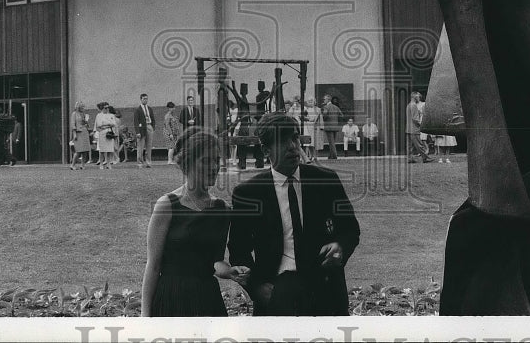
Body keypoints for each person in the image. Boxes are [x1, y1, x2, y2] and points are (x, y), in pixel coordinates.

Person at [228, 112, 361, 315]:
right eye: (283, 141)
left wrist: (340, 248)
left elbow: (350, 229)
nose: (292, 146)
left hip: (326, 291)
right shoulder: (248, 193)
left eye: (295, 137)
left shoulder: (326, 181)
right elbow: (239, 251)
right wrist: (256, 288)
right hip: (277, 294)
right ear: (266, 150)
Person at [141, 127, 249, 316]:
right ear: (188, 163)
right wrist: (145, 317)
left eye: (216, 161)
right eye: (206, 161)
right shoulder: (167, 206)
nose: (214, 167)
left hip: (207, 299)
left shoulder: (221, 209)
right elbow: (153, 265)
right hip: (171, 298)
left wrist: (230, 271)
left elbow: (215, 262)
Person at [406, 92, 433, 163]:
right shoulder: (414, 105)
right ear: (415, 97)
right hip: (414, 129)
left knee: (410, 146)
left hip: (408, 129)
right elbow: (415, 119)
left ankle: (410, 158)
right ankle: (426, 158)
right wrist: (421, 125)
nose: (419, 98)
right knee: (419, 145)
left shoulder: (409, 105)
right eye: (418, 97)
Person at [94, 103, 119, 169]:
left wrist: (106, 124)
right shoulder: (99, 115)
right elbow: (99, 124)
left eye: (108, 108)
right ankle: (101, 164)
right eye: (105, 108)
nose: (107, 109)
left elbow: (114, 123)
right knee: (102, 150)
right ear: (102, 109)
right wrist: (108, 123)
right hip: (102, 132)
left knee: (109, 149)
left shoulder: (111, 115)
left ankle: (108, 163)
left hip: (109, 132)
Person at [135, 93, 155, 168]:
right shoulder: (138, 109)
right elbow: (136, 121)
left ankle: (148, 162)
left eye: (146, 98)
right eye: (144, 99)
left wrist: (153, 127)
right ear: (141, 99)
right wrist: (137, 132)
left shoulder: (149, 108)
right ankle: (140, 162)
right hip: (141, 128)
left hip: (149, 126)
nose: (145, 100)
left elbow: (153, 118)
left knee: (149, 146)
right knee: (140, 146)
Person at [70, 101, 91, 169]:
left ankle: (82, 165)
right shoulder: (74, 114)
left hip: (85, 132)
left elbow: (86, 124)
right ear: (78, 107)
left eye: (83, 107)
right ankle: (72, 165)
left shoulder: (83, 114)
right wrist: (74, 134)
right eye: (82, 107)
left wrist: (86, 122)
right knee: (78, 150)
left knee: (85, 150)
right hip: (78, 133)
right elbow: (73, 125)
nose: (83, 108)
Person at [320, 95, 343, 160]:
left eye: (324, 99)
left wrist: (324, 119)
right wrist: (336, 121)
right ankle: (331, 156)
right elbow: (341, 115)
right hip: (335, 126)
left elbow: (325, 114)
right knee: (332, 142)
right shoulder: (336, 107)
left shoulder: (326, 107)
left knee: (331, 142)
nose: (324, 100)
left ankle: (335, 156)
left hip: (328, 127)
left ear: (328, 100)